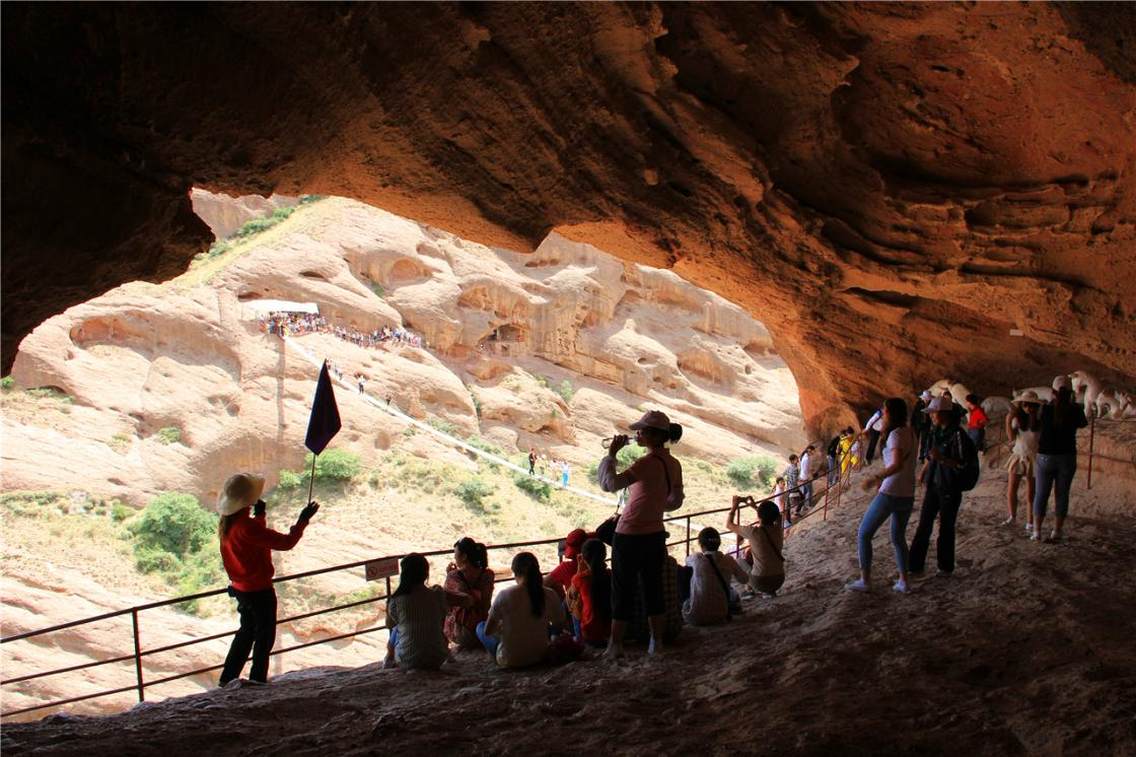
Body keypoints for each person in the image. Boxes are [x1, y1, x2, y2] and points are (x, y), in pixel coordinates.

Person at [597, 409, 684, 657]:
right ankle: (656, 642)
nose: (637, 434)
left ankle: (615, 645)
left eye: (642, 430)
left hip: (629, 534)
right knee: (652, 587)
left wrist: (611, 454)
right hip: (655, 533)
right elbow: (675, 501)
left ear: (655, 436)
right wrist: (653, 504)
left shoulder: (645, 463)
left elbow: (609, 485)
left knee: (622, 589)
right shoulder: (673, 464)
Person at [217, 473, 319, 686]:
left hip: (241, 589)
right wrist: (303, 520)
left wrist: (260, 516)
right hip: (258, 591)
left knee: (245, 634)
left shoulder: (229, 524)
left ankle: (227, 679)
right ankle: (257, 681)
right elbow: (286, 542)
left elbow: (253, 538)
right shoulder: (247, 526)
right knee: (264, 638)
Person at [846, 399, 917, 593]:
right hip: (907, 492)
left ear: (891, 413)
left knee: (864, 534)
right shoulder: (910, 431)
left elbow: (896, 464)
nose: (883, 414)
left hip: (891, 491)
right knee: (898, 537)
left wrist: (875, 478)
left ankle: (865, 580)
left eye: (885, 411)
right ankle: (904, 582)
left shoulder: (895, 435)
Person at [909, 396, 971, 576]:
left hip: (950, 487)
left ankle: (945, 567)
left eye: (934, 413)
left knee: (946, 526)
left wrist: (942, 459)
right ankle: (914, 565)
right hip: (934, 484)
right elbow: (932, 455)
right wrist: (924, 471)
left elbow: (962, 464)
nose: (931, 416)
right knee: (924, 524)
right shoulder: (936, 432)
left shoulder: (958, 435)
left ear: (944, 413)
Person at [477, 552, 566, 668]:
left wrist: (503, 627)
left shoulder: (504, 595)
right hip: (541, 655)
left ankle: (498, 654)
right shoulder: (550, 594)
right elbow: (559, 624)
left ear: (515, 572)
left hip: (510, 660)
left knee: (480, 627)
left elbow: (488, 631)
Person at [384, 553, 471, 670]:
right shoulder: (437, 594)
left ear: (404, 574)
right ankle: (446, 652)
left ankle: (388, 659)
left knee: (397, 628)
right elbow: (467, 600)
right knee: (434, 621)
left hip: (407, 661)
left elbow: (389, 624)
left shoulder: (396, 600)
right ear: (425, 573)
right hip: (437, 659)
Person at [1033, 385, 1088, 543]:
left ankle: (1037, 531)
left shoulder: (1046, 409)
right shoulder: (1074, 410)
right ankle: (1057, 531)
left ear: (1054, 393)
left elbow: (1036, 424)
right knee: (1062, 494)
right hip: (1067, 455)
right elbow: (1083, 423)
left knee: (1041, 493)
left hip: (1045, 455)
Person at [682, 527, 748, 626]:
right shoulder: (729, 560)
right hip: (720, 615)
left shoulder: (696, 559)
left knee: (686, 573)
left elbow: (687, 561)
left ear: (702, 545)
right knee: (732, 592)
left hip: (694, 618)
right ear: (719, 543)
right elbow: (744, 580)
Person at [726, 497, 786, 597]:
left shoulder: (754, 532)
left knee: (739, 561)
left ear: (759, 516)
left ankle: (749, 590)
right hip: (779, 580)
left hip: (760, 582)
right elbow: (778, 516)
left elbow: (729, 524)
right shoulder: (778, 528)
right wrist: (755, 507)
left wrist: (735, 506)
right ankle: (769, 592)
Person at [443, 538, 494, 650]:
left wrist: (450, 575)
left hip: (463, 633)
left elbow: (449, 601)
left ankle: (444, 645)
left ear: (464, 556)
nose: (454, 557)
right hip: (484, 627)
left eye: (455, 554)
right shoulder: (488, 574)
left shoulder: (454, 576)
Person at [1004, 391, 1042, 535]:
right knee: (1011, 489)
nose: (1028, 408)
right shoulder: (1018, 421)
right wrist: (1008, 421)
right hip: (1018, 455)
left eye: (1031, 405)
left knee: (1031, 493)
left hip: (1033, 458)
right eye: (1025, 405)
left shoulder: (1039, 421)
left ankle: (1030, 522)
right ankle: (1012, 517)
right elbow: (1011, 438)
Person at [567, 539, 612, 646]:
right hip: (611, 630)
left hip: (590, 634)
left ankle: (578, 639)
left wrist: (579, 569)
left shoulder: (580, 578)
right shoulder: (611, 575)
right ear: (605, 555)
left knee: (571, 603)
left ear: (584, 557)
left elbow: (570, 596)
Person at [545, 528, 588, 600]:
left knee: (554, 584)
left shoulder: (566, 567)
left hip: (575, 608)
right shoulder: (597, 564)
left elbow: (543, 583)